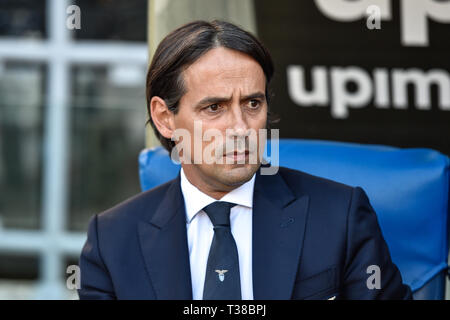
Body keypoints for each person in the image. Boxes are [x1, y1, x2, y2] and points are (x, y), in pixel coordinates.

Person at [78, 20, 412, 300]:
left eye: (253, 104)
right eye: (214, 108)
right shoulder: (112, 241)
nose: (240, 127)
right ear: (165, 118)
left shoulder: (341, 217)